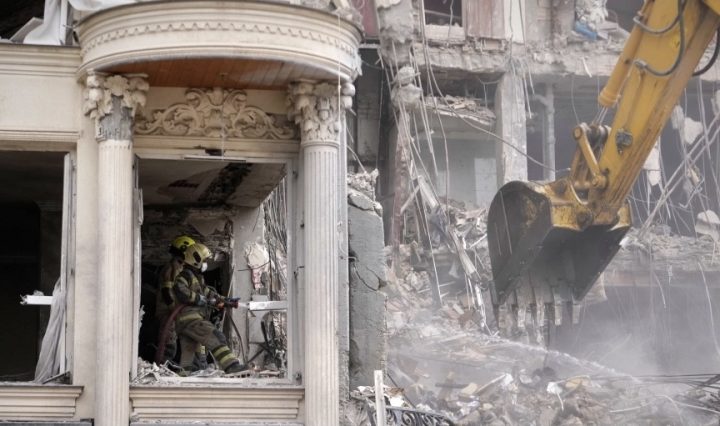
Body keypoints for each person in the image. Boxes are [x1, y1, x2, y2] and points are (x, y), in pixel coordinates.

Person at [173, 242, 244, 374]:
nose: (206, 264)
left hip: (186, 323)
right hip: (191, 320)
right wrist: (200, 299)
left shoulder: (197, 278)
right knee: (216, 337)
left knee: (191, 355)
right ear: (196, 260)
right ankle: (232, 366)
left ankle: (185, 375)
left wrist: (226, 301)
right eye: (204, 260)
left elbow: (210, 294)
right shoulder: (185, 276)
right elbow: (180, 290)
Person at [155, 235, 195, 364]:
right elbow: (166, 291)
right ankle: (161, 368)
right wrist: (173, 310)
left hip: (176, 313)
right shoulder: (171, 268)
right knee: (168, 344)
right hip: (169, 313)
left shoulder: (180, 267)